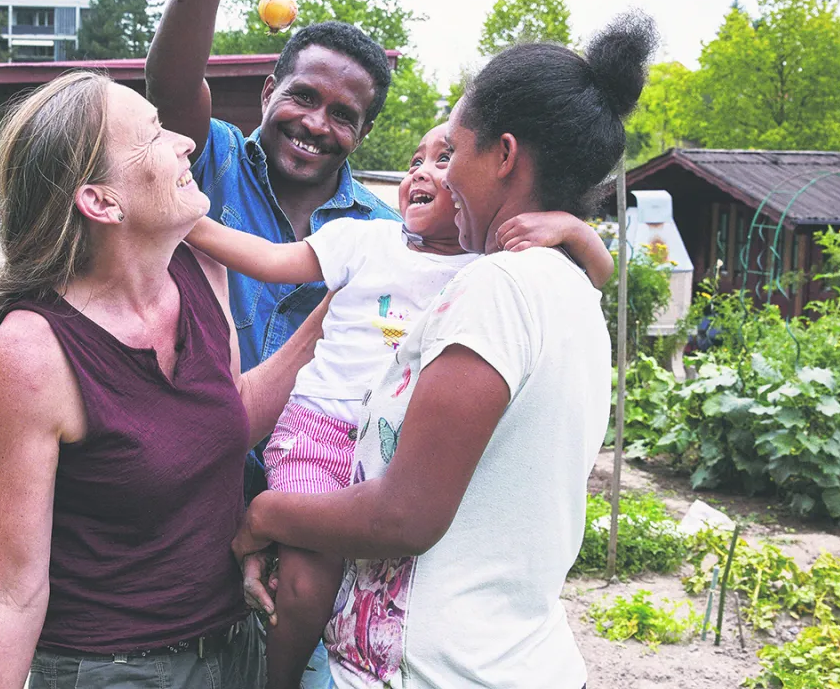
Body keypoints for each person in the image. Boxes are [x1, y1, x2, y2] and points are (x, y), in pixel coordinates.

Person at [231, 13, 660, 689]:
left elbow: (402, 515)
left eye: (451, 151)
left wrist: (263, 515)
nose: (436, 173)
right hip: (521, 660)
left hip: (437, 672)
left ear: (505, 156)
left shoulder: (491, 288)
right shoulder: (572, 289)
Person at [186, 122, 614, 689]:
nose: (423, 170)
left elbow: (596, 277)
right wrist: (185, 220)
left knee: (353, 562)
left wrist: (575, 232)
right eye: (417, 159)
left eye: (446, 158)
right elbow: (267, 259)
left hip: (390, 447)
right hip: (318, 431)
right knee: (307, 586)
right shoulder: (364, 240)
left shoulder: (486, 268)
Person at [0, 71, 327, 689]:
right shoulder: (34, 351)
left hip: (233, 651)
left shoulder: (200, 268)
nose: (183, 143)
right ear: (101, 201)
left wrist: (333, 313)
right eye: (153, 134)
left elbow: (223, 418)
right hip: (110, 669)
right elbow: (11, 592)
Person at [146, 0, 399, 383]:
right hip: (197, 458)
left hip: (322, 463)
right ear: (268, 93)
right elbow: (170, 86)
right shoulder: (208, 162)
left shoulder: (385, 234)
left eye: (343, 115)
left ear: (365, 133)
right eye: (302, 96)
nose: (314, 123)